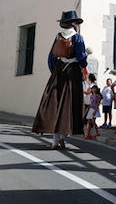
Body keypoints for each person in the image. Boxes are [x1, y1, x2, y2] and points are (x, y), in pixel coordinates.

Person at [32, 10, 87, 149]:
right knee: (70, 105)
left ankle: (56, 140)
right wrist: (84, 66)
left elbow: (51, 58)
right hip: (72, 72)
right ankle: (62, 137)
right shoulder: (78, 38)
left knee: (55, 104)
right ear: (74, 24)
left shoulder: (58, 37)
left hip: (58, 71)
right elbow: (81, 57)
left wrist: (55, 72)